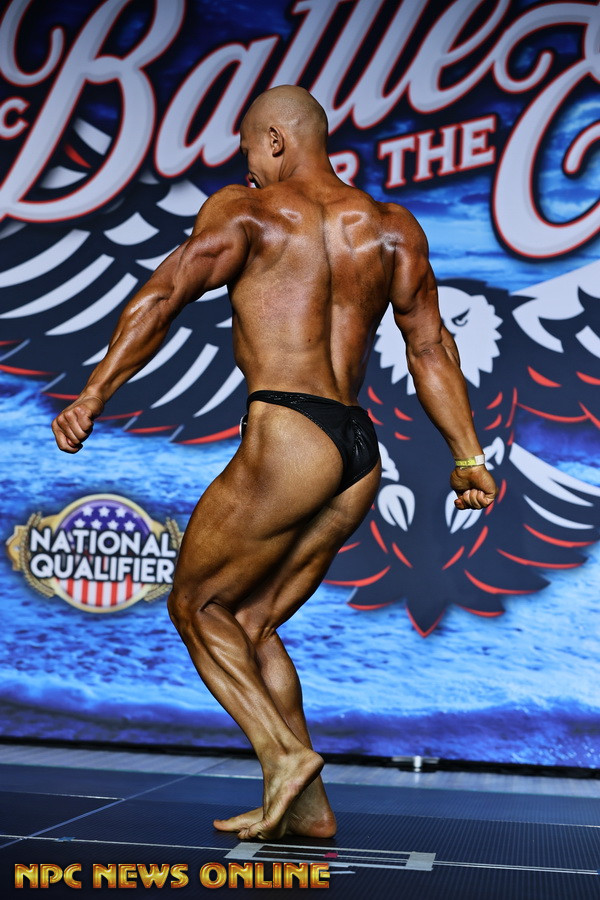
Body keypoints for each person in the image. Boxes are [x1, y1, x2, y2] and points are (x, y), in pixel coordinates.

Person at [52, 85, 498, 841]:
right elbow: (430, 347)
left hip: (291, 432)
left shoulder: (247, 211)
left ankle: (284, 755)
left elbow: (162, 297)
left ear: (278, 141)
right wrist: (468, 455)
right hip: (357, 450)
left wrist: (94, 393)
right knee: (253, 621)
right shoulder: (392, 227)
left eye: (250, 150)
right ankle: (309, 809)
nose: (248, 167)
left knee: (197, 606)